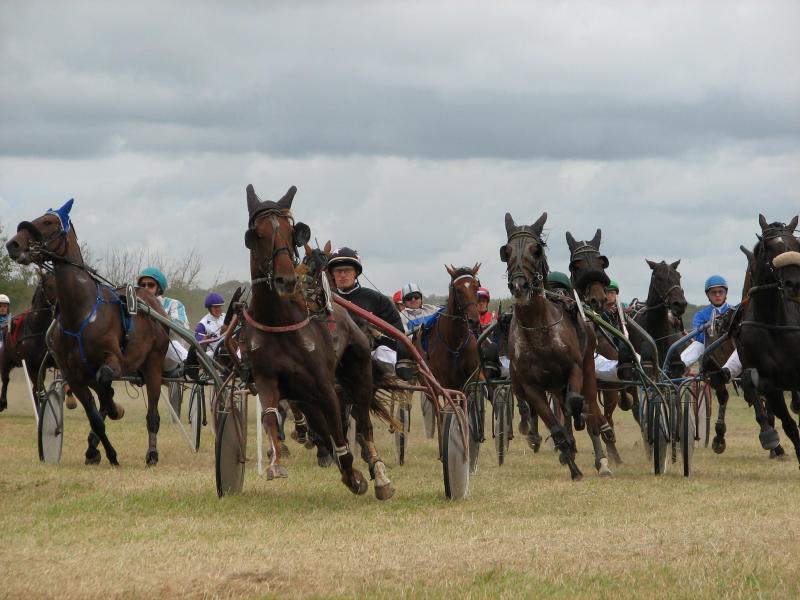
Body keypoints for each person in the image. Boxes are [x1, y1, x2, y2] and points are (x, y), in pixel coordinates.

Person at [326, 247, 408, 373]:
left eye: (347, 270)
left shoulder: (378, 300)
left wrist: (378, 335)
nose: (342, 275)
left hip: (371, 364)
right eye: (338, 271)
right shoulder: (325, 300)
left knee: (384, 354)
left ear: (356, 272)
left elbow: (399, 339)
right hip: (333, 360)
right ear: (332, 274)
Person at [137, 267, 190, 375]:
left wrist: (156, 314)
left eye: (150, 285)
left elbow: (180, 330)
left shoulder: (174, 304)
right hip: (142, 358)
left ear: (159, 288)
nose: (146, 288)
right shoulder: (135, 307)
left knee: (170, 344)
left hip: (167, 358)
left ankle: (191, 364)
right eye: (142, 285)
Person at [680, 275, 732, 372]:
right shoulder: (700, 315)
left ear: (726, 293)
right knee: (698, 345)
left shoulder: (735, 311)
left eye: (720, 292)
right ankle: (679, 366)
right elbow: (698, 337)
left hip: (731, 349)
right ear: (708, 295)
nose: (717, 295)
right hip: (709, 349)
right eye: (713, 292)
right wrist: (707, 331)